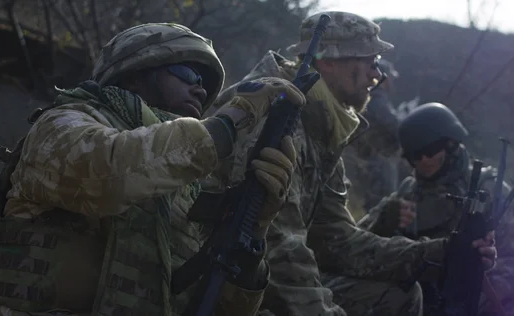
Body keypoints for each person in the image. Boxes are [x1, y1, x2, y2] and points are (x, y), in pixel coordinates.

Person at [0, 22, 307, 315]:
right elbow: (109, 173)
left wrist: (254, 229)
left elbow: (220, 307)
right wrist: (232, 120)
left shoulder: (186, 181)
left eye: (203, 82)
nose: (200, 88)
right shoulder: (65, 123)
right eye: (188, 74)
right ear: (134, 77)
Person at [205, 11, 497, 316]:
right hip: (215, 282)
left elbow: (335, 240)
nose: (376, 76)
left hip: (254, 276)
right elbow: (278, 249)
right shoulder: (276, 117)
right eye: (371, 63)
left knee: (398, 296)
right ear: (329, 61)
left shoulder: (320, 126)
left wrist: (437, 254)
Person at [358, 102, 514, 316]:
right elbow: (355, 242)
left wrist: (478, 278)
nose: (424, 160)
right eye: (415, 156)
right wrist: (385, 220)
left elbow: (510, 258)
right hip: (418, 295)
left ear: (450, 144)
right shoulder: (409, 191)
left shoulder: (488, 189)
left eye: (430, 151)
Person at [344, 58, 402, 212]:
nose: (392, 82)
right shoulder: (376, 97)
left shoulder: (371, 96)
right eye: (390, 77)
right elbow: (391, 124)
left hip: (366, 160)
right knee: (382, 204)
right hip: (376, 160)